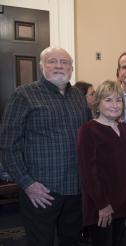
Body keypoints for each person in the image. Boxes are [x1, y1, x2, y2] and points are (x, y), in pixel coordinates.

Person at [0, 47, 90, 245]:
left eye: (65, 62)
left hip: (75, 189)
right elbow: (7, 145)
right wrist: (27, 184)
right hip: (41, 191)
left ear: (72, 68)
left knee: (72, 240)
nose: (59, 66)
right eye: (52, 61)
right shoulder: (23, 95)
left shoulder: (78, 97)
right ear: (42, 67)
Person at [76, 80, 126, 245]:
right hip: (102, 206)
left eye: (118, 100)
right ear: (98, 103)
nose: (115, 105)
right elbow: (88, 173)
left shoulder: (124, 128)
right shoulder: (88, 130)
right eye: (108, 100)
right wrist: (103, 205)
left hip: (124, 202)